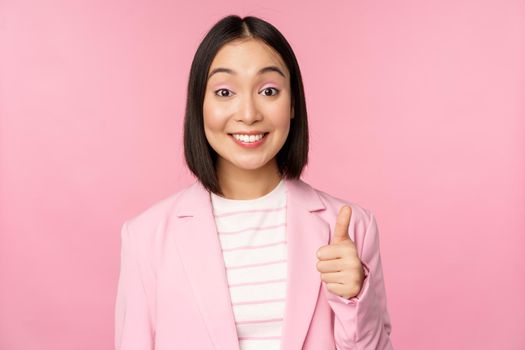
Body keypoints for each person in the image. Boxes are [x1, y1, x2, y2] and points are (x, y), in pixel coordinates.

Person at [114, 14, 393, 350]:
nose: (248, 113)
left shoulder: (352, 228)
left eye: (269, 90)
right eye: (224, 91)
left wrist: (355, 298)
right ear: (199, 106)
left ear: (292, 104)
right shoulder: (146, 237)